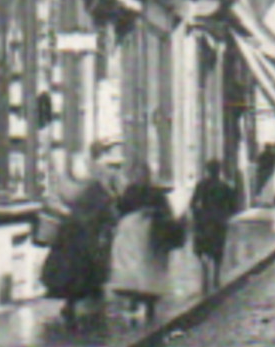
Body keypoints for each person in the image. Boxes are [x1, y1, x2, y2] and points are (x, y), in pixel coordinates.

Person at [40, 139, 121, 329]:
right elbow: (108, 210)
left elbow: (52, 202)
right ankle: (91, 312)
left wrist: (65, 212)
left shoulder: (63, 185)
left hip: (68, 236)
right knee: (89, 272)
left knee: (70, 272)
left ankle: (72, 305)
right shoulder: (95, 187)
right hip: (88, 237)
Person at [108, 158, 181, 324]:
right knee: (141, 268)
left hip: (146, 235)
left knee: (143, 268)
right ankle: (141, 302)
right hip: (136, 235)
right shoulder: (142, 192)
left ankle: (144, 303)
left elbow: (121, 208)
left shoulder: (140, 192)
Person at [190, 159, 239, 295]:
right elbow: (234, 206)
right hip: (218, 222)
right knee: (217, 249)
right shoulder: (225, 187)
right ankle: (216, 276)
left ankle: (205, 274)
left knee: (203, 249)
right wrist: (225, 215)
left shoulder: (201, 185)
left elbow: (193, 203)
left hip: (205, 221)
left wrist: (197, 216)